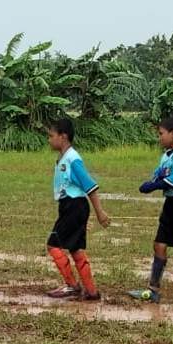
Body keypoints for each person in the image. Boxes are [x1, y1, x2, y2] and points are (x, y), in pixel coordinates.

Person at [129, 117, 173, 303]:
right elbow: (159, 174)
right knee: (159, 244)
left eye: (161, 134)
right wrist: (151, 182)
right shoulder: (167, 155)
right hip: (171, 206)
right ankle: (153, 290)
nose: (159, 138)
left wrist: (152, 186)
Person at [45, 118, 109, 300]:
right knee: (76, 248)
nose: (49, 140)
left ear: (63, 137)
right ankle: (91, 291)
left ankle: (72, 286)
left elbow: (90, 186)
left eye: (51, 136)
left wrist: (100, 212)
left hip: (74, 206)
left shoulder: (73, 159)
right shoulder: (65, 158)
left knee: (53, 244)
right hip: (70, 206)